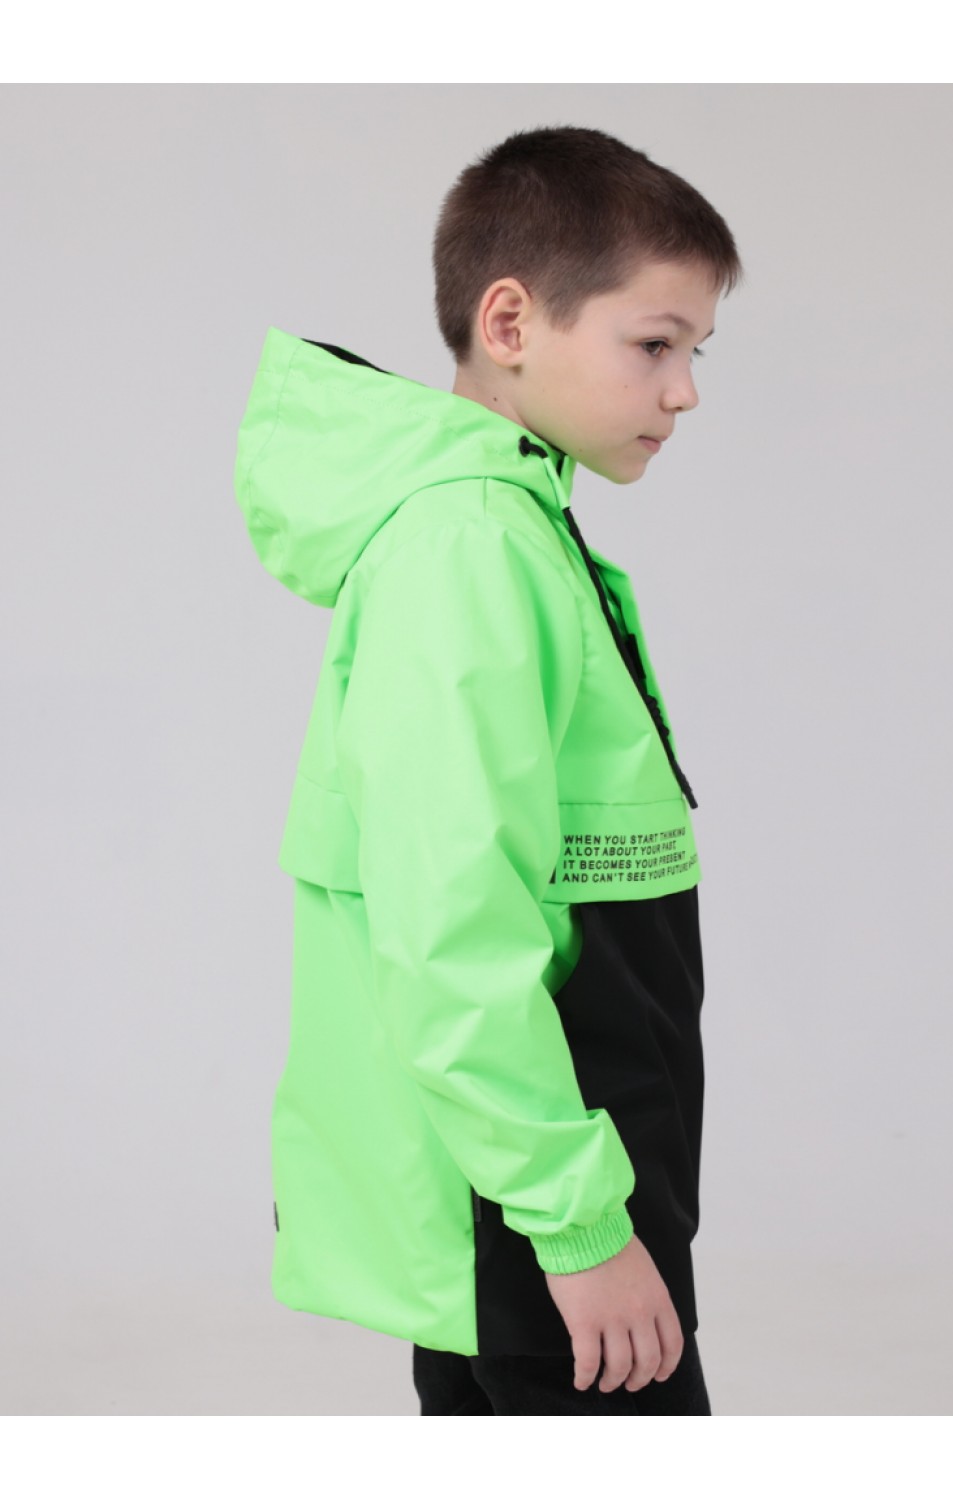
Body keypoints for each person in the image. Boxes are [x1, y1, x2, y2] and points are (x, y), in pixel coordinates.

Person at [233, 123, 743, 1416]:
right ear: (510, 322)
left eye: (696, 352)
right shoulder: (469, 548)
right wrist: (579, 1226)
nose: (684, 391)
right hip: (530, 1203)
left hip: (534, 1176)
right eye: (655, 344)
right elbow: (452, 922)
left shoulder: (513, 528)